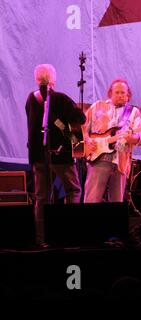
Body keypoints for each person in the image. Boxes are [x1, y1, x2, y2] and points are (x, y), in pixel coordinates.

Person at [25, 63, 86, 244]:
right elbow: (80, 119)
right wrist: (74, 138)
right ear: (53, 79)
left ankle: (41, 238)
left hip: (37, 156)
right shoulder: (60, 98)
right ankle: (69, 233)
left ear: (37, 79)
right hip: (60, 156)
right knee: (73, 190)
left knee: (42, 197)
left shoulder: (30, 98)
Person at [83, 78, 141, 202]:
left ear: (128, 95)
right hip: (99, 159)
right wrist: (88, 140)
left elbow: (138, 139)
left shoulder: (134, 112)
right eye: (117, 92)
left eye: (123, 93)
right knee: (92, 199)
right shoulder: (97, 107)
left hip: (121, 162)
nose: (120, 95)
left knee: (117, 201)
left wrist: (129, 137)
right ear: (110, 93)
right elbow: (82, 127)